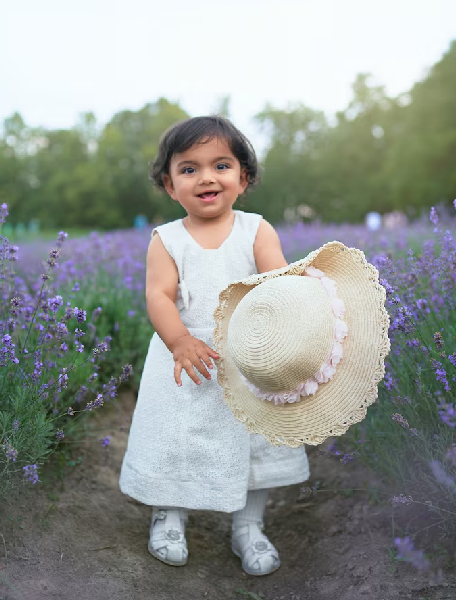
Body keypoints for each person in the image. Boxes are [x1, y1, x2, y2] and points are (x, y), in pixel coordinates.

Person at [119, 116, 309, 576]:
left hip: (248, 355)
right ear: (170, 185)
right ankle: (169, 515)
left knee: (255, 439)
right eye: (189, 169)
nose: (206, 177)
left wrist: (297, 305)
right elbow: (159, 296)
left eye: (221, 166)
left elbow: (276, 280)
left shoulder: (256, 230)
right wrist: (179, 339)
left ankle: (248, 525)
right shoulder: (167, 239)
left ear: (243, 178)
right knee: (177, 438)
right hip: (186, 360)